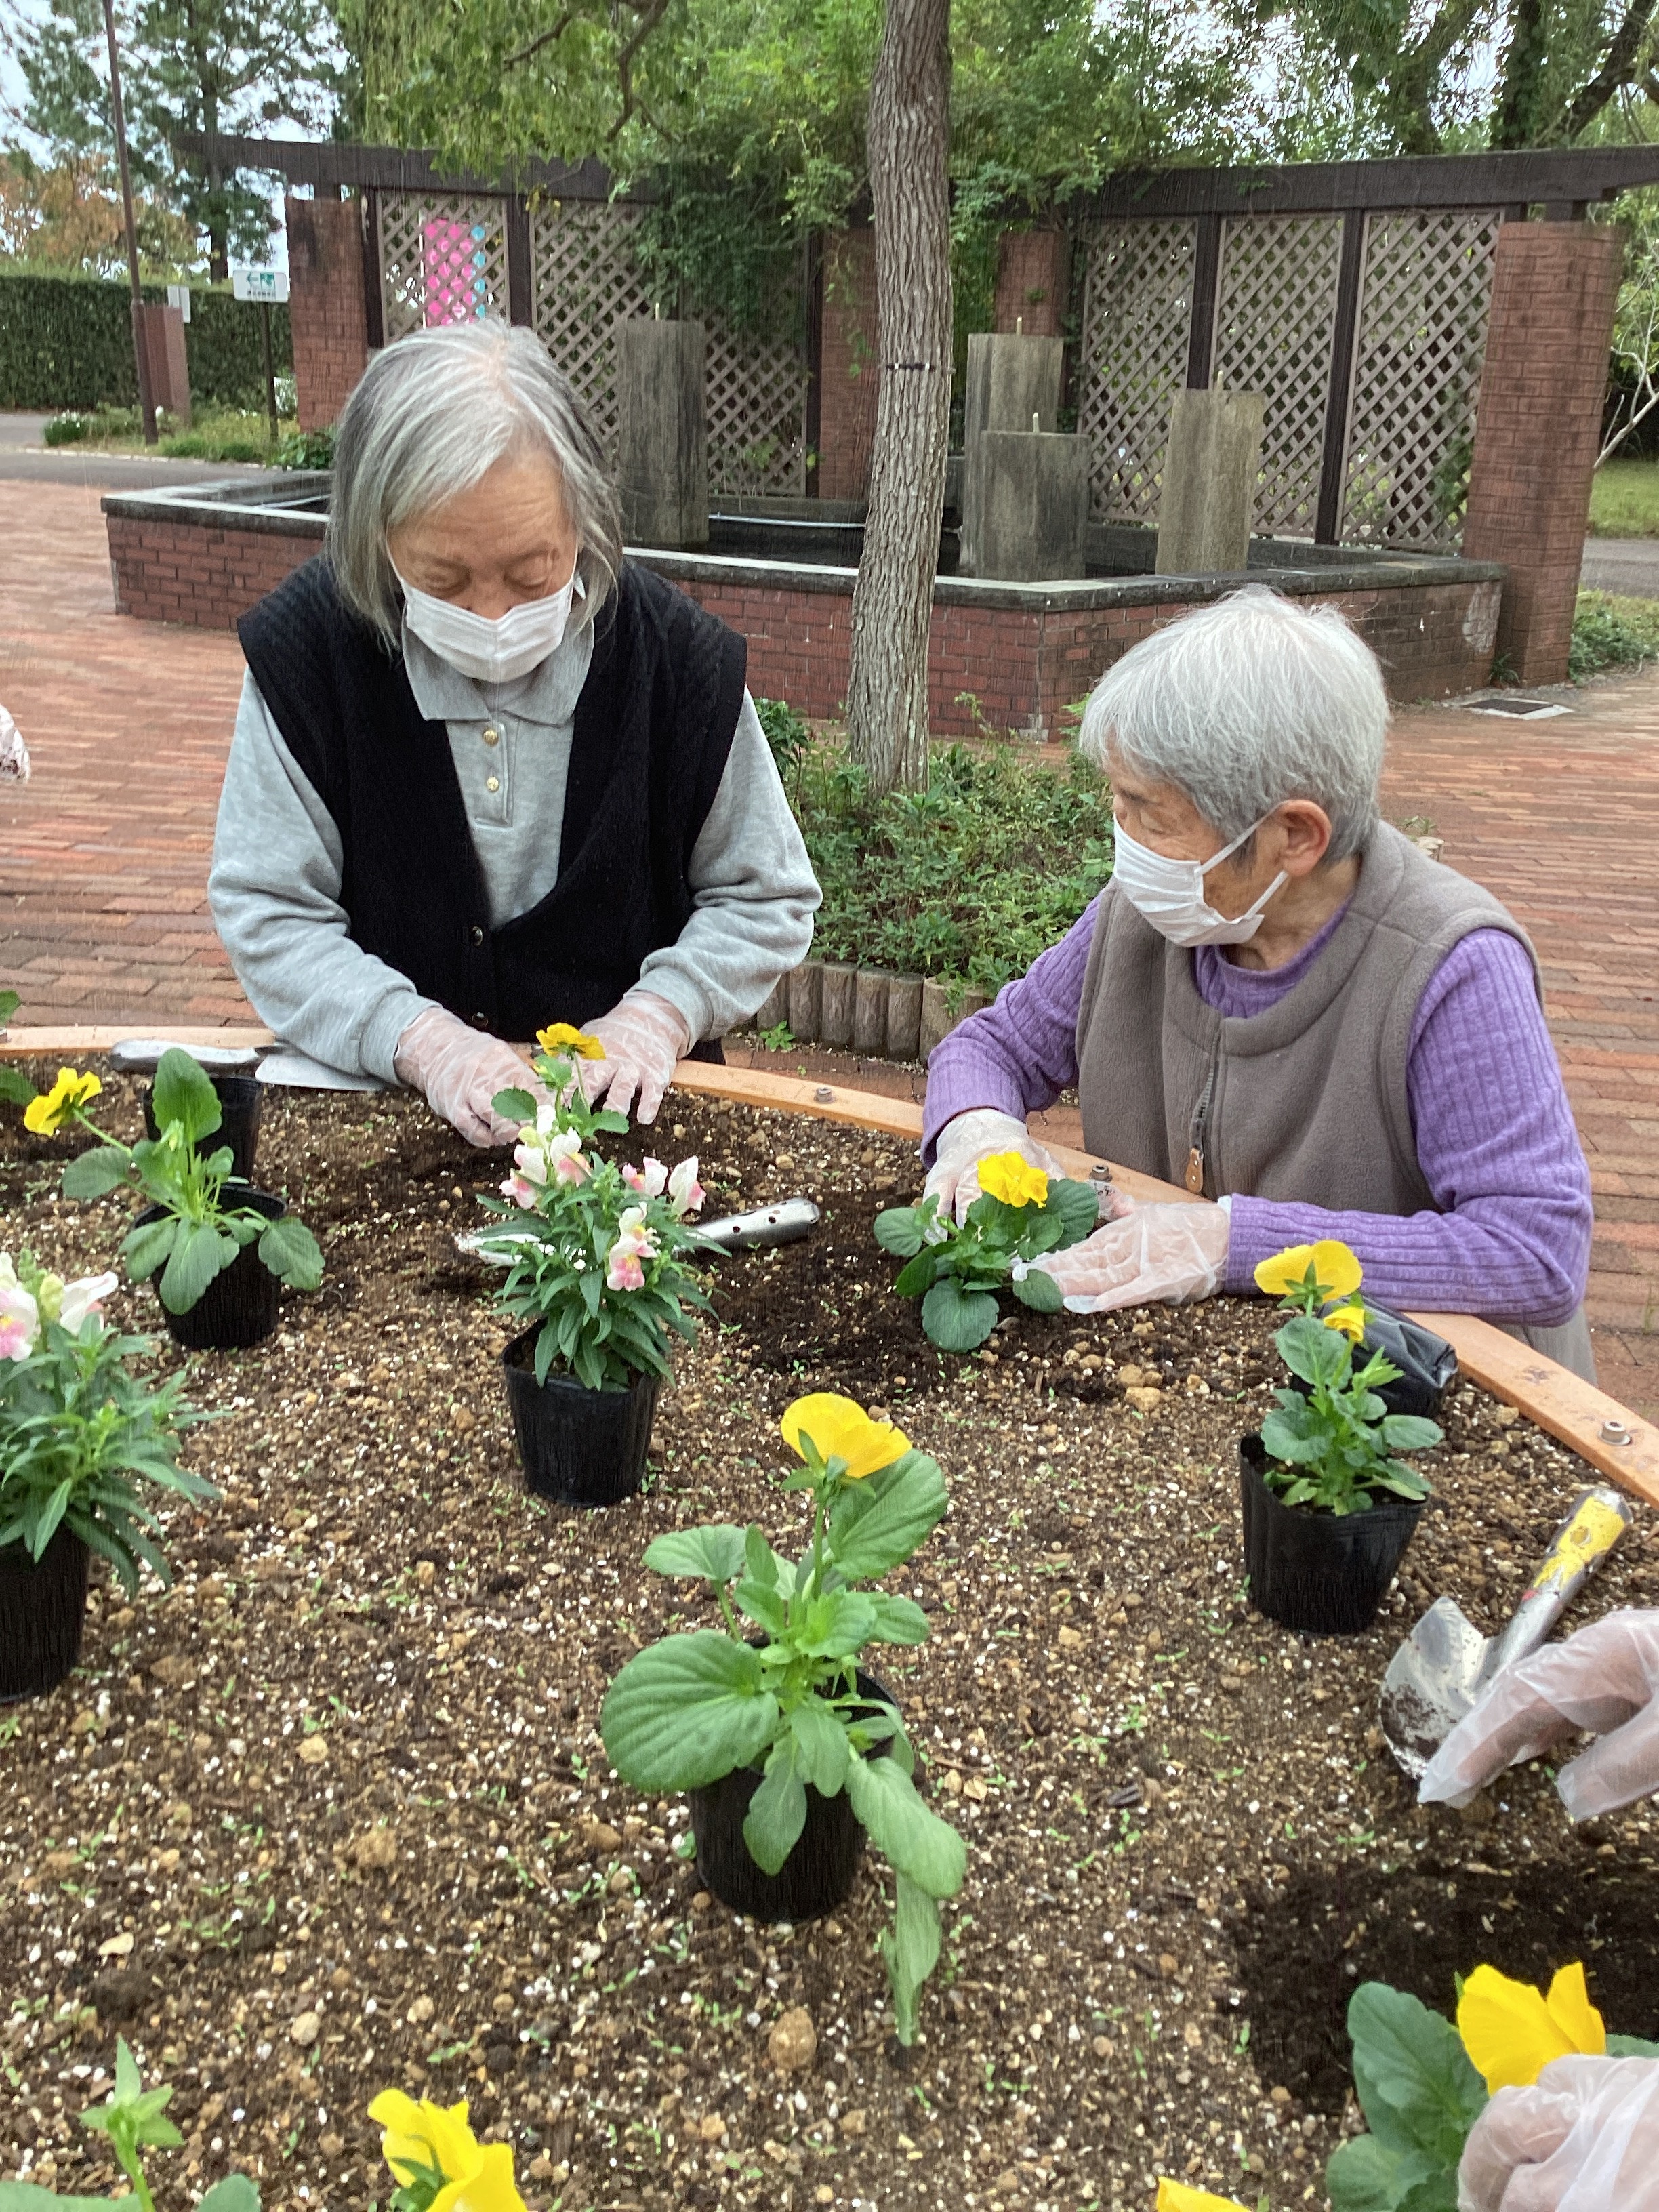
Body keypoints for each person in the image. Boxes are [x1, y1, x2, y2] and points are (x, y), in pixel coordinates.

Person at [922, 588, 1596, 1379]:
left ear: (1295, 835)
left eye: (1153, 816)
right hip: (1231, 1373)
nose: (1123, 840)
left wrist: (1232, 1242)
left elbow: (1533, 1250)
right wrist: (976, 1132)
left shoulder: (1450, 966)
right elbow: (993, 1047)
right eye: (1118, 802)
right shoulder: (1145, 917)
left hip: (1423, 1400)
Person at [209, 321, 819, 1142]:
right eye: (444, 577)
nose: (492, 614)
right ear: (373, 537)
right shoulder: (310, 657)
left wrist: (657, 1016)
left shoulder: (675, 664)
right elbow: (270, 909)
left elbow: (765, 894)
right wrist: (421, 1042)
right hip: (382, 1122)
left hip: (628, 1142)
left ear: (585, 519)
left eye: (532, 571)